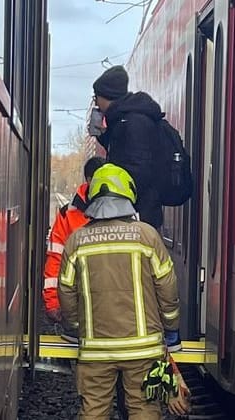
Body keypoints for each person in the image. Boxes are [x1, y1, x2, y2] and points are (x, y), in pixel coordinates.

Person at [58, 164, 185, 419]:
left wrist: (77, 326)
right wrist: (171, 325)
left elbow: (66, 293)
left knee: (93, 409)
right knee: (144, 409)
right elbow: (167, 286)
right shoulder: (147, 236)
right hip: (144, 350)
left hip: (96, 349)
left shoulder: (77, 241)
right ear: (129, 194)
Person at [91, 65, 165, 229]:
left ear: (107, 96)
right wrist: (103, 136)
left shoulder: (132, 122)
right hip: (135, 211)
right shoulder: (126, 120)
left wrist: (117, 196)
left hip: (138, 214)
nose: (96, 102)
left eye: (96, 97)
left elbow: (137, 168)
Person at [42, 156, 105, 322]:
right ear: (89, 180)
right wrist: (53, 303)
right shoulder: (67, 215)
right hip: (79, 305)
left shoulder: (125, 212)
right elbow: (55, 260)